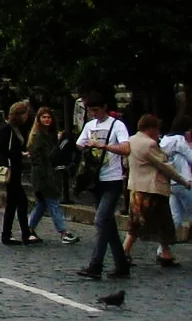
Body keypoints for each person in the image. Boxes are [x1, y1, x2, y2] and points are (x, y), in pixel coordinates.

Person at [75, 96, 133, 282]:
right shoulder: (89, 125)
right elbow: (79, 143)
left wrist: (104, 145)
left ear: (105, 107)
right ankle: (122, 265)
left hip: (112, 179)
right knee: (109, 224)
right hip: (95, 179)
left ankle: (96, 265)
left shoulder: (117, 125)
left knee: (101, 220)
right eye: (91, 111)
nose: (94, 114)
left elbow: (126, 148)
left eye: (97, 110)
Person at [123, 111, 190, 269]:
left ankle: (165, 254)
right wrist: (184, 181)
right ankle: (124, 252)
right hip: (151, 189)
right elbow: (164, 167)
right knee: (139, 223)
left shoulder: (131, 140)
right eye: (156, 129)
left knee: (161, 221)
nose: (158, 133)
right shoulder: (149, 144)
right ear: (150, 128)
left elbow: (126, 163)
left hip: (136, 187)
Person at [23, 103, 76, 245]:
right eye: (44, 117)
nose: (47, 120)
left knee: (42, 205)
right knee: (53, 203)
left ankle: (28, 228)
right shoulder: (37, 136)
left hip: (51, 173)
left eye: (48, 117)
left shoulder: (51, 135)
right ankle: (63, 232)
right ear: (39, 119)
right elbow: (37, 160)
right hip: (43, 175)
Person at [0, 98, 37, 245]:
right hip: (10, 170)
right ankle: (23, 234)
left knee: (14, 203)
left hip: (15, 170)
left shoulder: (17, 129)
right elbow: (0, 149)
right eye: (25, 113)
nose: (27, 116)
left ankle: (9, 234)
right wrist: (19, 154)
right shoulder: (7, 129)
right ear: (19, 114)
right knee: (20, 201)